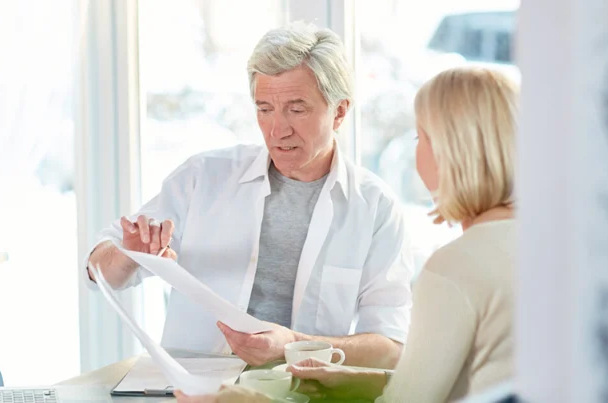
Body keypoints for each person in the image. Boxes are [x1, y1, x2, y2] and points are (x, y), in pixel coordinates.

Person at [177, 66, 518, 402]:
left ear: (452, 151)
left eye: (420, 137)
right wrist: (355, 380)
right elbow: (442, 384)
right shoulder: (545, 249)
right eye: (264, 109)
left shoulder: (455, 268)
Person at [86, 21, 413, 368]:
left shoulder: (375, 209)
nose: (277, 129)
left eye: (297, 109)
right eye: (264, 108)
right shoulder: (203, 178)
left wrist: (295, 345)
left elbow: (390, 348)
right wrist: (128, 256)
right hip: (192, 388)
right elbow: (96, 270)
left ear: (340, 112)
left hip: (303, 391)